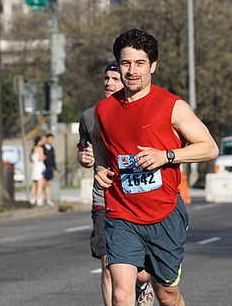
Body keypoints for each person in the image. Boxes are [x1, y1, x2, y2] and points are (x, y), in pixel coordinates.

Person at [93, 28, 219, 306]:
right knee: (119, 293)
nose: (132, 70)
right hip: (121, 213)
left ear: (153, 66)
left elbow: (210, 147)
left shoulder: (171, 105)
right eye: (126, 63)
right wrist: (100, 168)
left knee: (167, 295)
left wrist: (167, 156)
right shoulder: (104, 110)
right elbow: (99, 143)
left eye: (140, 63)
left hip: (164, 215)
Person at [78, 64, 154, 306]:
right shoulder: (91, 115)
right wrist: (84, 159)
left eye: (114, 79)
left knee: (142, 271)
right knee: (109, 266)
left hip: (139, 198)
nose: (108, 83)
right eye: (106, 78)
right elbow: (83, 152)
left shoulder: (144, 112)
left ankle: (143, 284)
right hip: (105, 200)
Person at [29, 136, 46, 206]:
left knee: (34, 184)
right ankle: (39, 199)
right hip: (39, 167)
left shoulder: (32, 149)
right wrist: (44, 157)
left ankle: (32, 199)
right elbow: (40, 158)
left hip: (34, 167)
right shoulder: (40, 149)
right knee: (40, 184)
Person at [43, 133, 58, 206]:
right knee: (41, 183)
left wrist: (55, 169)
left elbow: (53, 159)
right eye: (50, 138)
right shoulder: (42, 147)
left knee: (48, 184)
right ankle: (39, 198)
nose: (51, 140)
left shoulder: (52, 148)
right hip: (43, 167)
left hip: (50, 167)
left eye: (52, 139)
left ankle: (47, 198)